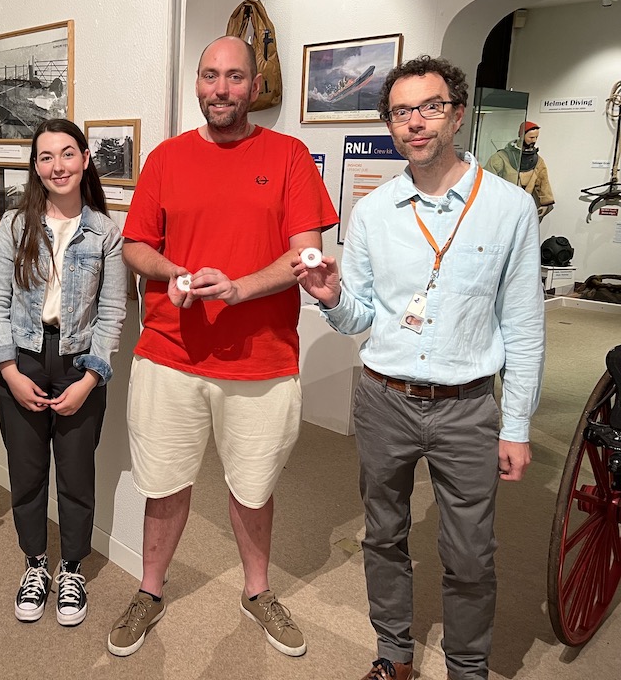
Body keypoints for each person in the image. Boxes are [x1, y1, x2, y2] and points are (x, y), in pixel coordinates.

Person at [297, 56, 544, 680]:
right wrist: (329, 297)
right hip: (384, 399)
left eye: (430, 107)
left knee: (471, 555)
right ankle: (395, 655)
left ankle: (467, 668)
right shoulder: (376, 212)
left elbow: (523, 326)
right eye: (402, 112)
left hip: (467, 406)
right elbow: (359, 319)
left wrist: (515, 425)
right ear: (390, 125)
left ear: (457, 114)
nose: (416, 123)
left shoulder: (509, 208)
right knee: (383, 535)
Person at [107, 36, 339, 658]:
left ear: (254, 85)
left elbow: (306, 251)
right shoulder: (166, 158)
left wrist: (237, 290)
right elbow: (134, 247)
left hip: (261, 357)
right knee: (163, 483)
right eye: (210, 76)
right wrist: (176, 271)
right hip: (168, 353)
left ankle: (257, 590)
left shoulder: (288, 156)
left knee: (253, 487)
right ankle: (150, 591)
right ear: (198, 83)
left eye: (235, 77)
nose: (220, 89)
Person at [0, 118, 127, 626]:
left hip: (78, 361)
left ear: (85, 160)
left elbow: (112, 315)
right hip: (22, 356)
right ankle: (36, 563)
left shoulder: (105, 232)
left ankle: (71, 568)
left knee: (76, 471)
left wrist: (90, 379)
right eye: (45, 157)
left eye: (67, 154)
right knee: (26, 471)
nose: (57, 166)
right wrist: (8, 370)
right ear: (35, 167)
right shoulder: (14, 226)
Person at [484, 120, 554, 219]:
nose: (534, 140)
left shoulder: (538, 161)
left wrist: (545, 203)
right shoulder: (502, 157)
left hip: (524, 208)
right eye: (531, 137)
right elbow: (488, 179)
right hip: (503, 207)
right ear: (521, 135)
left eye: (536, 137)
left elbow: (543, 182)